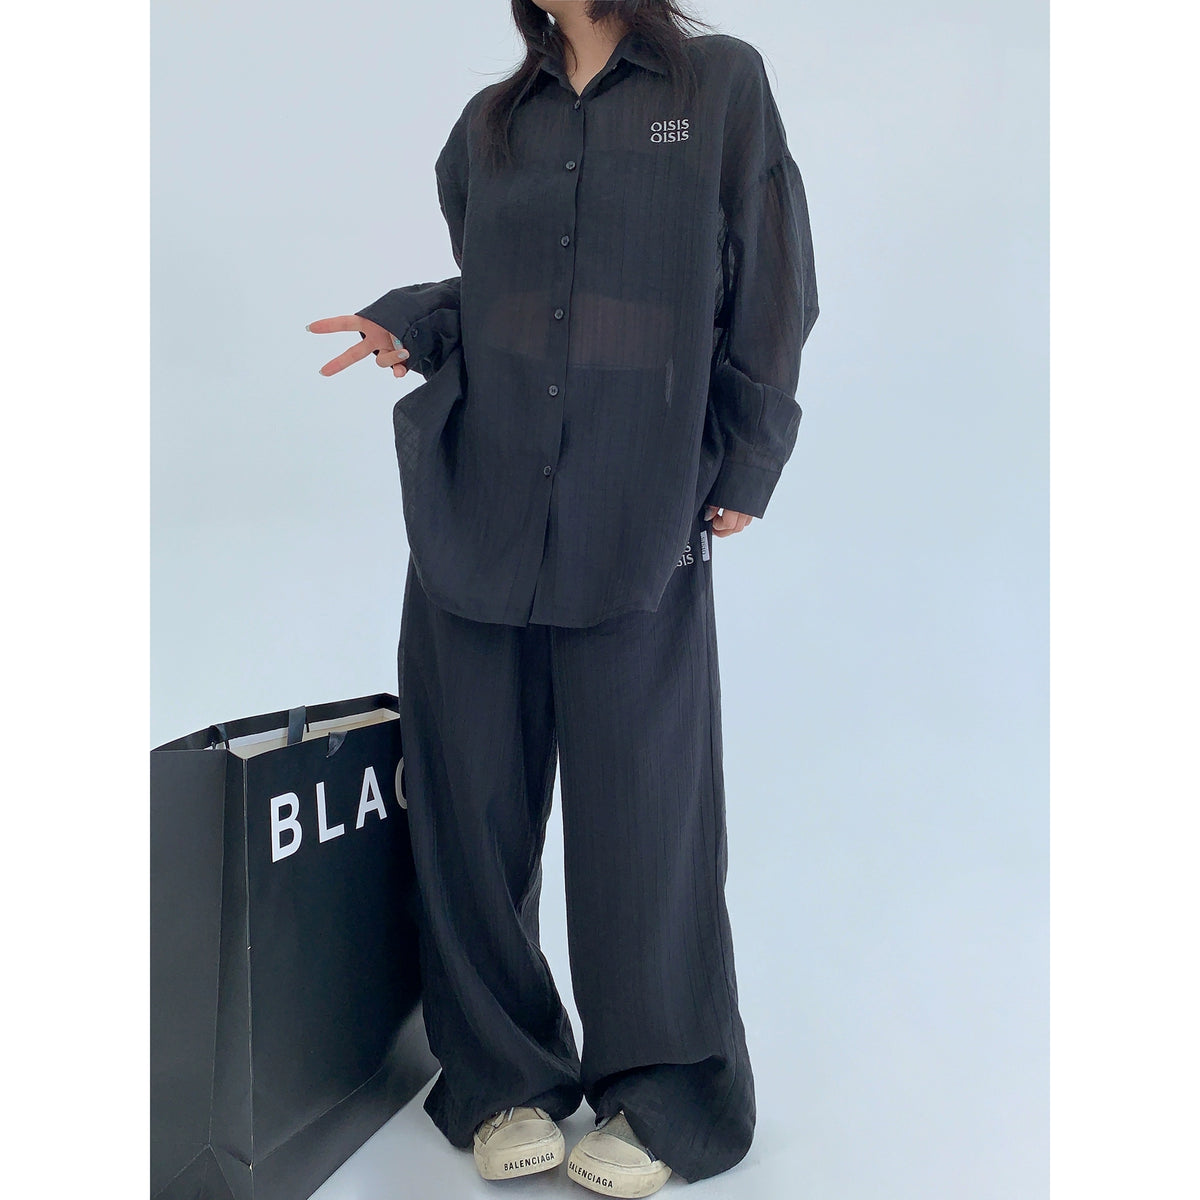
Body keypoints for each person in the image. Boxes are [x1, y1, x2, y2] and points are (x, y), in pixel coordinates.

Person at [308, 1, 818, 1193]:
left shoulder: (720, 87)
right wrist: (412, 317)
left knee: (646, 819)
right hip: (479, 508)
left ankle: (669, 1097)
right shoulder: (489, 124)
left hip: (638, 509)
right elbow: (508, 290)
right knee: (469, 810)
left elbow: (774, 278)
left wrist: (748, 458)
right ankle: (503, 1079)